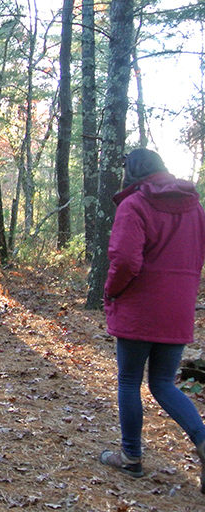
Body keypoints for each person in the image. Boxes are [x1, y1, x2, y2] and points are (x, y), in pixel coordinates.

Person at [99, 148, 205, 492]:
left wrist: (111, 292)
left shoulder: (135, 205)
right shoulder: (195, 208)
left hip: (140, 306)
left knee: (129, 381)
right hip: (178, 308)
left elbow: (125, 260)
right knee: (163, 383)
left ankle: (131, 457)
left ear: (133, 173)